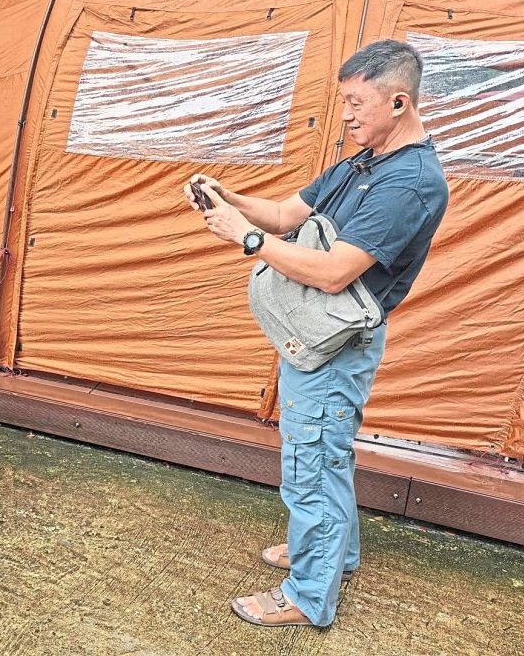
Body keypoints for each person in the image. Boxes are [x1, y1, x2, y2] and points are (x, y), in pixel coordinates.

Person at [182, 39, 449, 628]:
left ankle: (307, 595)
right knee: (326, 455)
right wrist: (229, 199)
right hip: (313, 336)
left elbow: (333, 273)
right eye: (343, 101)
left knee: (312, 466)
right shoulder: (364, 161)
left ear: (399, 102)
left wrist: (245, 238)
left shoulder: (409, 182)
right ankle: (334, 554)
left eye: (356, 102)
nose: (345, 114)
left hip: (335, 345)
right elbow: (285, 214)